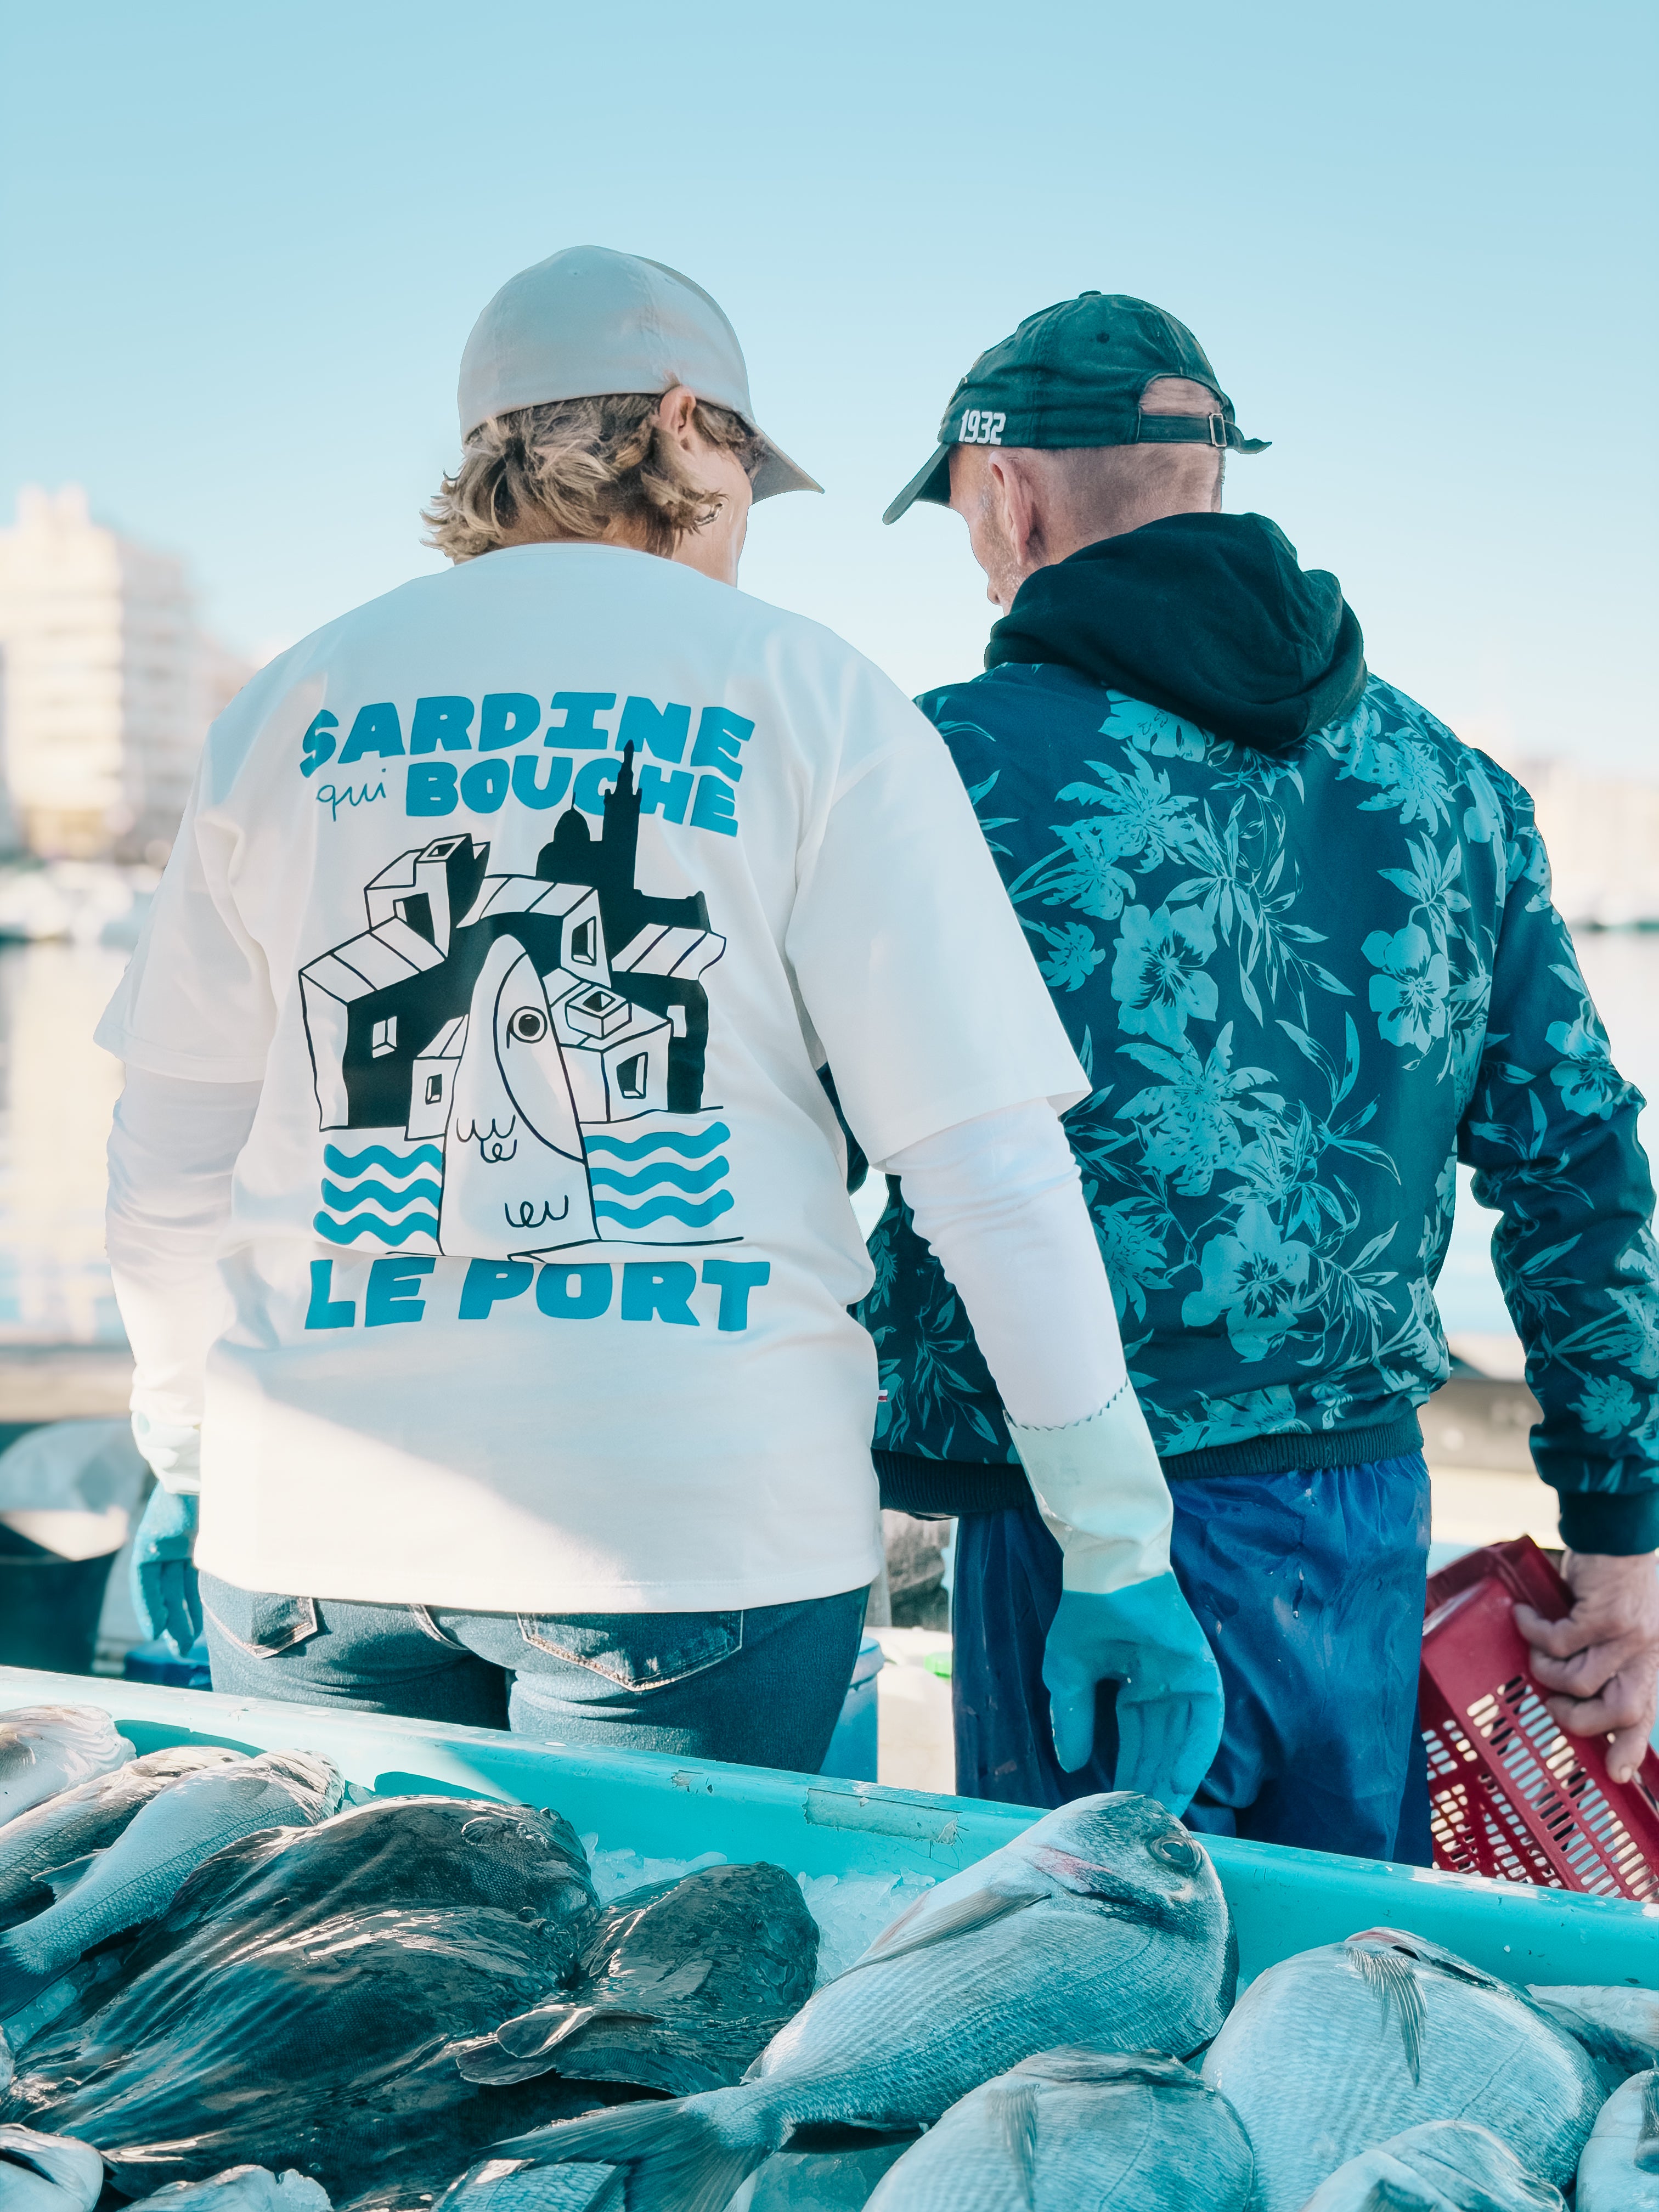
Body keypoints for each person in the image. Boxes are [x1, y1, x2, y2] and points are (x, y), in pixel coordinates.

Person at [102, 248, 1221, 1799]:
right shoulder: (811, 697)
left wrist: (185, 1449)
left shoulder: (291, 704)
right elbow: (987, 1178)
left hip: (309, 1538)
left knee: (349, 2021)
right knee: (661, 2017)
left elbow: (165, 1171)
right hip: (690, 1540)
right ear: (690, 428)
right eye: (750, 470)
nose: (749, 516)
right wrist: (1115, 1547)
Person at [870, 289, 1659, 1855]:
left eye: (965, 515)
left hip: (1083, 1535)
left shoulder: (939, 766)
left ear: (1010, 491)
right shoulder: (1455, 787)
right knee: (1326, 2004)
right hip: (1355, 1527)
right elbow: (1577, 1161)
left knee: (1081, 2021)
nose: (975, 554)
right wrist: (1626, 1531)